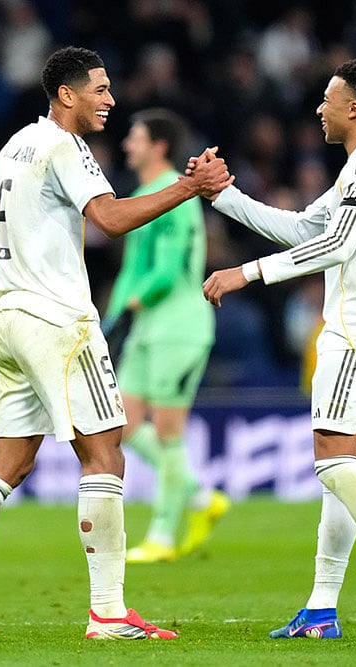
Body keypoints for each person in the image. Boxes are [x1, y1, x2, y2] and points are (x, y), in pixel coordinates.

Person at [0, 46, 233, 642]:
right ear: (67, 95)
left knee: (9, 461)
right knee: (105, 454)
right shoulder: (66, 146)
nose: (111, 100)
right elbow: (110, 220)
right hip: (58, 320)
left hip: (10, 313)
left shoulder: (15, 144)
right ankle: (109, 613)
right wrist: (189, 186)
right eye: (101, 89)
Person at [197, 58, 356, 642]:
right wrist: (225, 196)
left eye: (328, 99)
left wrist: (247, 273)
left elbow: (337, 245)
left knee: (332, 463)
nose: (319, 108)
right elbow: (304, 229)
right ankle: (321, 609)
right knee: (342, 468)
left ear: (354, 108)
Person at [103, 108, 230, 564]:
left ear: (158, 146)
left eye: (135, 137)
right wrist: (111, 319)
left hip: (178, 327)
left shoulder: (177, 194)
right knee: (122, 423)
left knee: (168, 432)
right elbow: (132, 269)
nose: (127, 144)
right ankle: (200, 496)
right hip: (145, 327)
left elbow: (170, 269)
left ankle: (161, 534)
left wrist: (132, 304)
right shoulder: (143, 195)